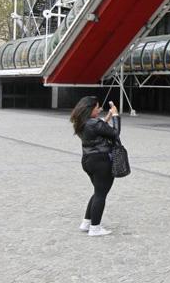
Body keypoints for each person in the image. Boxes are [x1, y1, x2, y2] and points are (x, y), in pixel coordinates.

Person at [70, 96, 121, 236]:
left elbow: (98, 130)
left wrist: (108, 117)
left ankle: (86, 222)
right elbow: (115, 133)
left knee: (97, 191)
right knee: (101, 194)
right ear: (90, 109)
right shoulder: (94, 123)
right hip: (101, 161)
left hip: (88, 160)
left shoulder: (81, 122)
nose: (99, 109)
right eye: (97, 107)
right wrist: (116, 115)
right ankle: (95, 227)